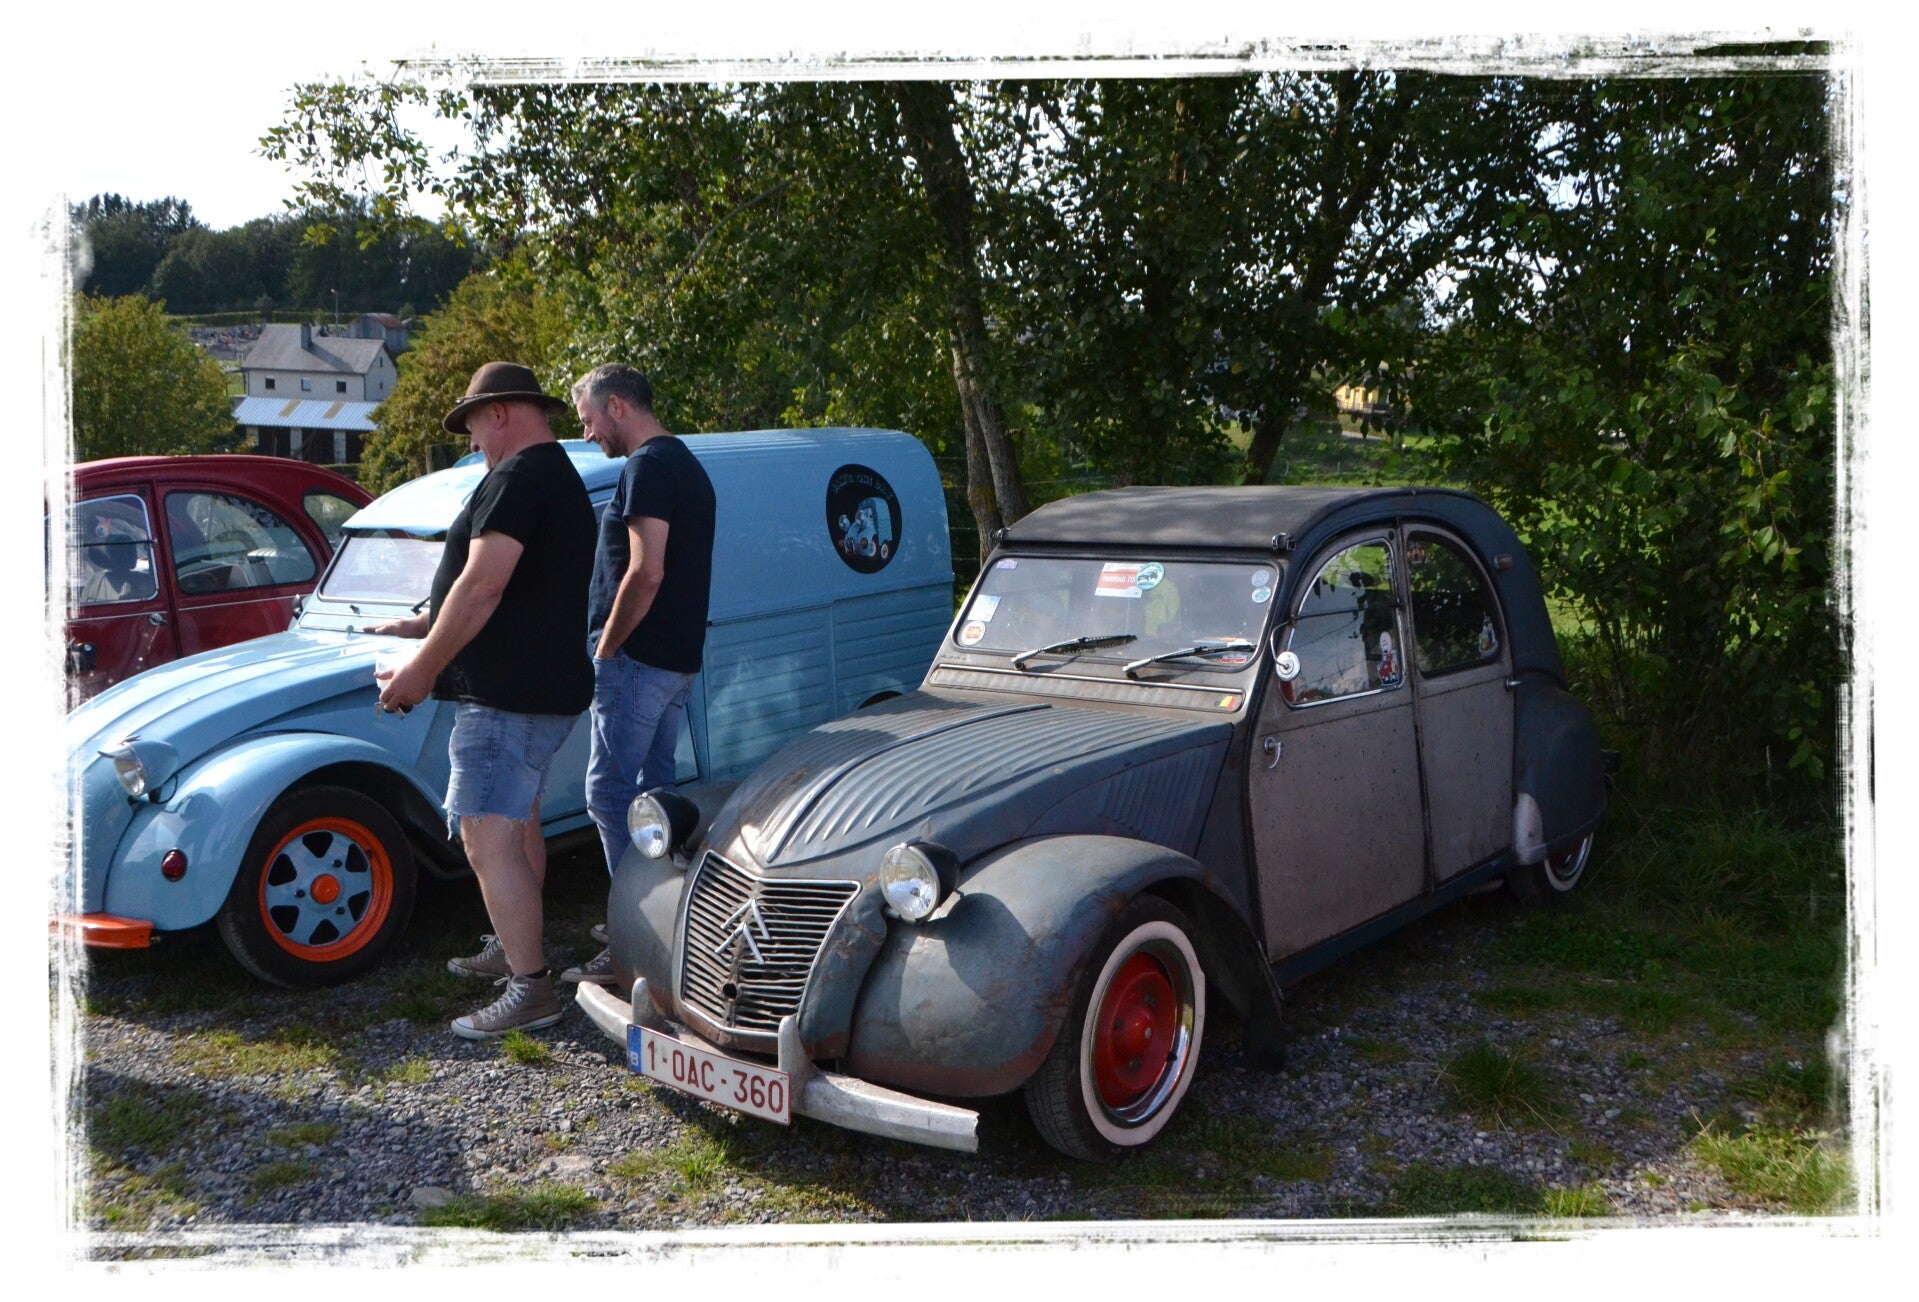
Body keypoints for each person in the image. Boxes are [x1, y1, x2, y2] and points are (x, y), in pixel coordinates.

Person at [372, 361, 595, 1039]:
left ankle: (530, 988)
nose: (472, 443)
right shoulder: (556, 475)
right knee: (518, 822)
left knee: (484, 833)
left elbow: (484, 584)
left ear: (498, 412)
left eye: (472, 426)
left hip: (507, 696)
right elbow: (513, 585)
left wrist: (421, 668)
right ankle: (513, 946)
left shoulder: (519, 477)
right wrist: (425, 621)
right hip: (539, 688)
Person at [563, 363, 716, 987]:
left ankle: (633, 939)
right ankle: (668, 929)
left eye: (589, 420)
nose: (588, 434)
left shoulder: (647, 467)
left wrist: (606, 649)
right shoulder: (688, 464)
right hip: (674, 660)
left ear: (618, 407)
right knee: (655, 797)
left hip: (637, 661)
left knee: (609, 794)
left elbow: (646, 571)